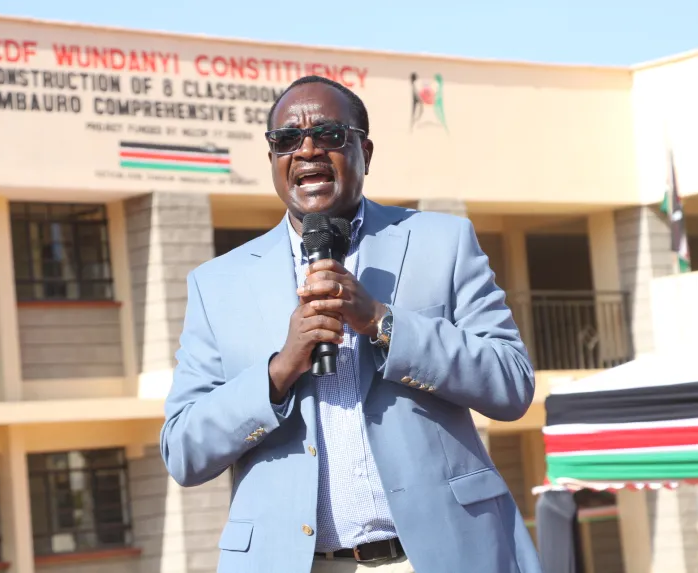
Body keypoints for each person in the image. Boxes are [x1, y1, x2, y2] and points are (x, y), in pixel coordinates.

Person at [161, 75, 542, 573]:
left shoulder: (442, 242)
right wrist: (279, 371)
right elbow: (183, 451)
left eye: (329, 134)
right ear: (273, 158)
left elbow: (511, 384)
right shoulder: (218, 284)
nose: (307, 150)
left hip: (434, 556)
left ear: (365, 151)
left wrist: (383, 323)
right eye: (288, 139)